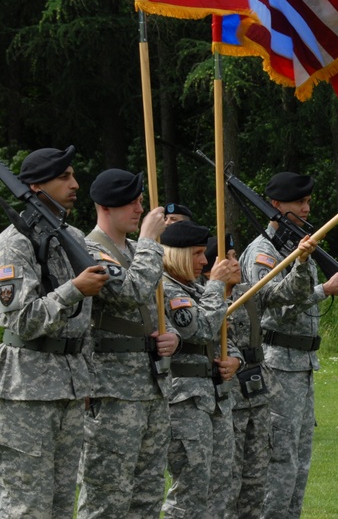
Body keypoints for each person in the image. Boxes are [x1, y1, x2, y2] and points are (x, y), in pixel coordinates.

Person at [239, 171, 338, 519]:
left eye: (307, 201)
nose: (306, 208)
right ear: (276, 205)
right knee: (278, 460)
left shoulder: (295, 247)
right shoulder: (263, 252)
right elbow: (267, 307)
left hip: (301, 365)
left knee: (299, 461)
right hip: (276, 364)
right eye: (299, 202)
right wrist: (324, 290)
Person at [0, 146, 109, 518]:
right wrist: (74, 289)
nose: (75, 184)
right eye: (64, 177)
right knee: (27, 505)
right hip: (28, 392)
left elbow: (82, 325)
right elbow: (22, 321)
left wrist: (87, 379)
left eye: (73, 175)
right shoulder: (14, 244)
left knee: (62, 504)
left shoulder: (71, 236)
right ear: (36, 187)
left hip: (70, 386)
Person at [77, 168, 179, 519]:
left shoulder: (138, 251)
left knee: (147, 496)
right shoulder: (89, 250)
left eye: (140, 202)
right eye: (131, 203)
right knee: (108, 496)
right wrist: (151, 239)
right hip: (112, 391)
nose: (140, 210)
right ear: (106, 207)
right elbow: (130, 293)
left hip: (151, 386)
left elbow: (159, 307)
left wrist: (172, 336)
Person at [160, 220, 242, 519]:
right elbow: (200, 329)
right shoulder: (167, 289)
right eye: (196, 254)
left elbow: (223, 335)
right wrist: (217, 284)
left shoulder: (196, 289)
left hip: (214, 398)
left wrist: (235, 359)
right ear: (178, 255)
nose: (204, 261)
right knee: (190, 490)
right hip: (186, 401)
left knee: (219, 485)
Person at [215, 233, 272, 519]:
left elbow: (289, 294)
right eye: (227, 257)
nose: (236, 262)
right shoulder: (204, 298)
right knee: (228, 480)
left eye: (236, 256)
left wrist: (300, 262)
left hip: (256, 392)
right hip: (228, 398)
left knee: (256, 478)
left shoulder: (250, 293)